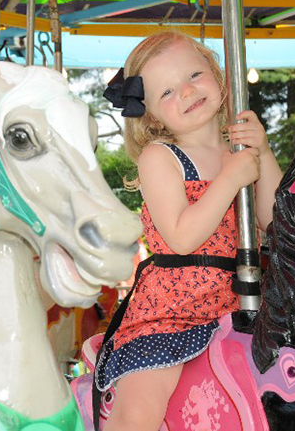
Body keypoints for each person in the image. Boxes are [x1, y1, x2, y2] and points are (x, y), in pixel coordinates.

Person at [95, 31, 282, 430]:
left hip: (250, 301)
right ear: (150, 115)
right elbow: (182, 236)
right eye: (166, 92)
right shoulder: (160, 158)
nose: (186, 91)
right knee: (141, 405)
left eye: (195, 74)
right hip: (174, 311)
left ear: (216, 73)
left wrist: (262, 153)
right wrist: (230, 179)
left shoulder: (241, 149)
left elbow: (276, 222)